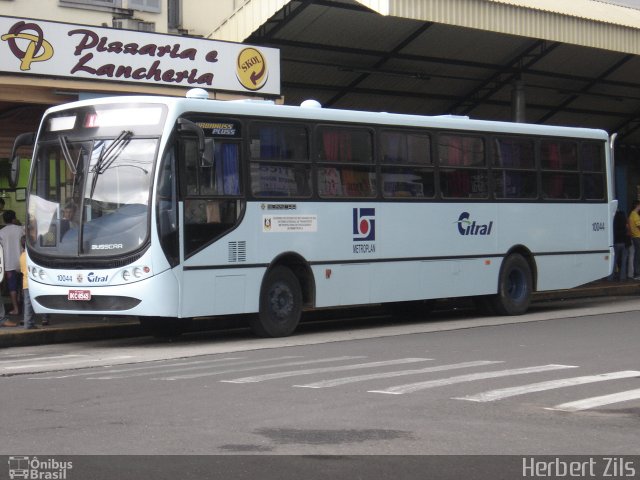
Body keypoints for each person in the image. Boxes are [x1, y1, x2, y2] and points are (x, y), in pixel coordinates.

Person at [0, 210, 25, 315]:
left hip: (9, 264)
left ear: (3, 220)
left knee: (12, 287)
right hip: (21, 262)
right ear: (14, 218)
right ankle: (24, 308)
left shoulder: (1, 232)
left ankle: (16, 308)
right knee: (23, 285)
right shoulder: (20, 229)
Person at [610, 209, 630, 281]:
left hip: (616, 243)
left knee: (614, 260)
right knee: (624, 260)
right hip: (624, 243)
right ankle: (622, 277)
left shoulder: (614, 223)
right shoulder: (625, 223)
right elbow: (628, 232)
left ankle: (610, 276)